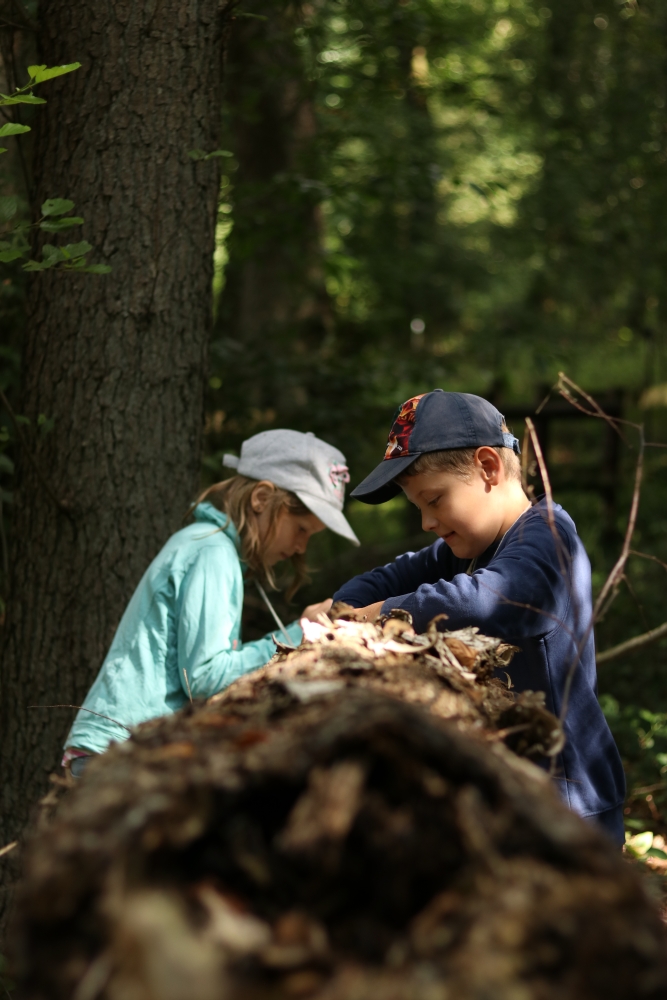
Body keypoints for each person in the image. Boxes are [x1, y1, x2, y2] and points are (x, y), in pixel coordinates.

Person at [332, 389, 626, 844]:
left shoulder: (548, 538)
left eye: (435, 500)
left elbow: (488, 601)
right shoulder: (468, 547)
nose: (428, 521)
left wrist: (379, 616)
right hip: (513, 794)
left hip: (568, 799)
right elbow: (378, 581)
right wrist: (347, 610)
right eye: (419, 508)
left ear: (488, 467)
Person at [64, 429, 359, 774]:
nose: (301, 547)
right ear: (262, 498)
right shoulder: (211, 552)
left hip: (116, 748)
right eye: (301, 529)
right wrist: (300, 634)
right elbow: (204, 678)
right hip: (116, 751)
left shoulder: (209, 547)